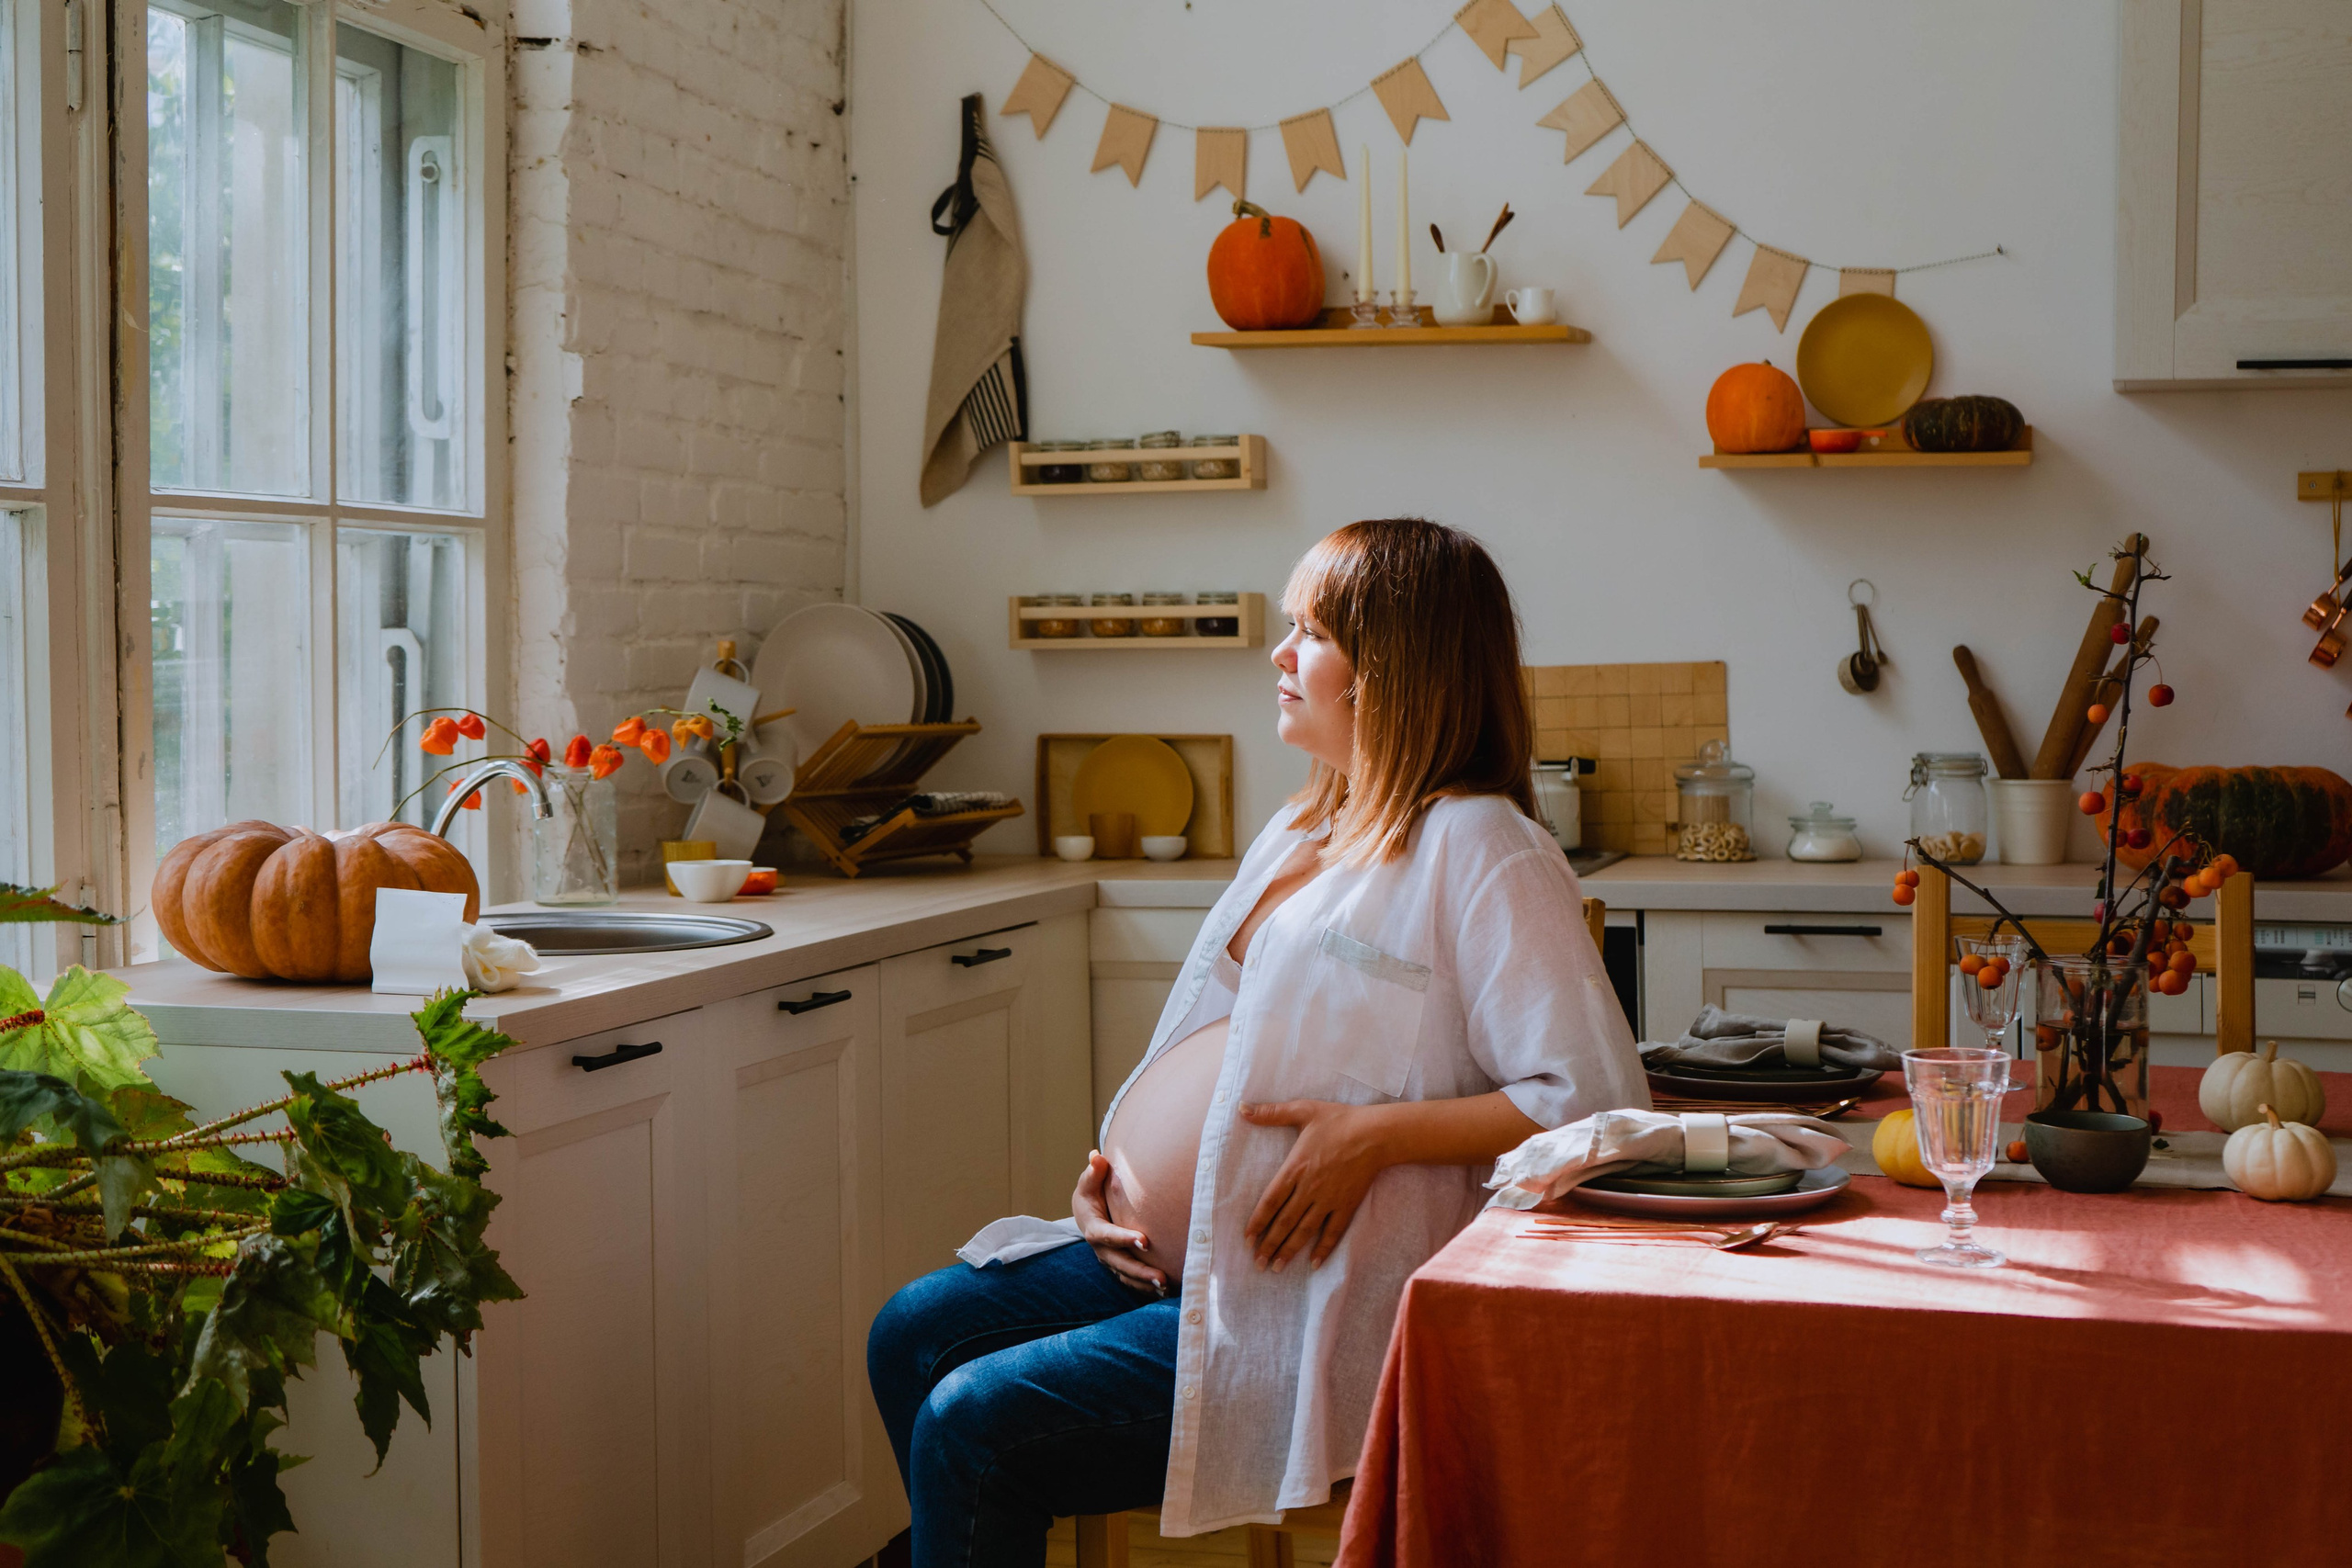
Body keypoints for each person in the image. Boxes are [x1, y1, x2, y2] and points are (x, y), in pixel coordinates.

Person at [866, 519, 1646, 1565]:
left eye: (1310, 633)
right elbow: (1219, 1038)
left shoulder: (1483, 845)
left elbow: (1594, 1108)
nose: (1279, 656)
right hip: (1177, 1258)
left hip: (1310, 1304)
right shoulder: (1303, 827)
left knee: (975, 1423)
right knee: (911, 1331)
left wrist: (1372, 1138)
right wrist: (1113, 1180)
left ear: (1389, 671)